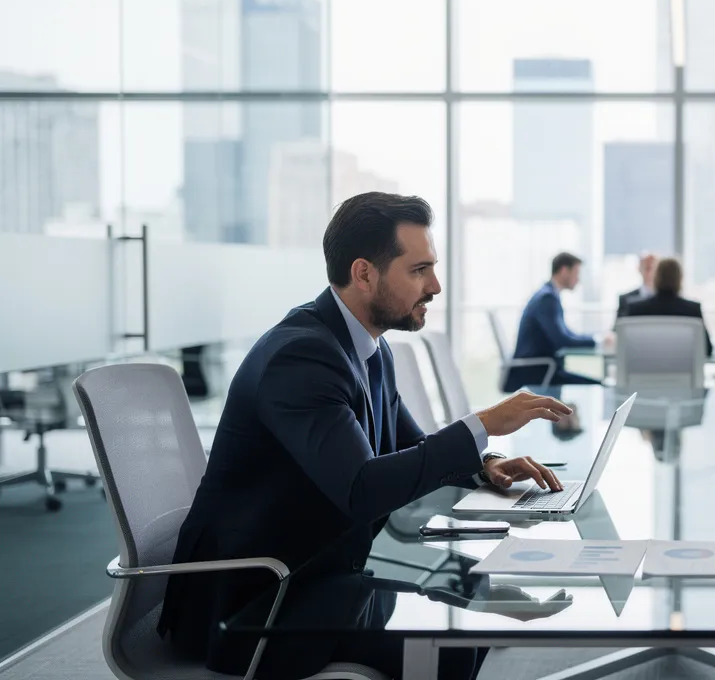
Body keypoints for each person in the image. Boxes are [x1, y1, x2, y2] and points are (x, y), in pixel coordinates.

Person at [159, 192, 569, 680]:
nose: (435, 286)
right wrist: (483, 422)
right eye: (419, 270)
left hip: (323, 572)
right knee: (452, 643)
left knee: (464, 612)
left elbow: (411, 447)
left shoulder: (368, 348)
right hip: (258, 605)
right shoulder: (301, 357)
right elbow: (362, 489)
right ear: (364, 274)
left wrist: (485, 465)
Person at [503, 252, 602, 392]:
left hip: (543, 369)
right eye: (576, 273)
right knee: (600, 387)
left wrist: (596, 338)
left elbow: (566, 334)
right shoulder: (547, 299)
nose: (578, 280)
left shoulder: (549, 295)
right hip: (538, 372)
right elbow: (562, 340)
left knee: (598, 384)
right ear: (564, 271)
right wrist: (597, 340)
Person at [623, 258, 713, 357]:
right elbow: (707, 349)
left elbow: (624, 349)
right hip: (681, 367)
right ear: (680, 278)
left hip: (646, 366)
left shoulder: (636, 309)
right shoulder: (692, 310)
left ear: (655, 277)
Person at [615, 252, 658, 320]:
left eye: (655, 269)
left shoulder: (668, 301)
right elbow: (620, 325)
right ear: (639, 269)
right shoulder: (625, 300)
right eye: (647, 268)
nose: (651, 273)